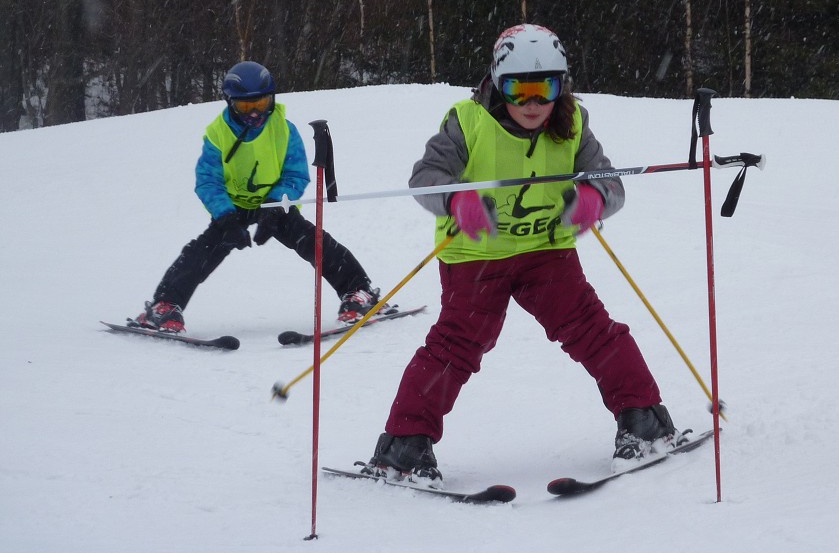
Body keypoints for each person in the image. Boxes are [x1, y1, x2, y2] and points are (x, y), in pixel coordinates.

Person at [361, 24, 682, 487]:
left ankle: (644, 420)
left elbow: (612, 183)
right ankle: (405, 447)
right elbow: (426, 176)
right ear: (497, 81)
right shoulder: (466, 121)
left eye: (545, 89)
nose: (532, 103)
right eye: (519, 89)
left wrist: (593, 199)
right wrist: (457, 201)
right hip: (476, 256)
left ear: (562, 85)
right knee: (456, 346)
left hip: (545, 252)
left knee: (592, 330)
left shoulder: (573, 124)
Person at [130, 60, 382, 333]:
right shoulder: (217, 135)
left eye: (260, 104)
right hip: (233, 207)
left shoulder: (285, 131)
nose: (254, 114)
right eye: (245, 107)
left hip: (274, 204)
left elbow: (295, 176)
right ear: (230, 103)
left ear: (271, 100)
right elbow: (208, 180)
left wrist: (274, 209)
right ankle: (164, 306)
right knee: (203, 250)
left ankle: (360, 292)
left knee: (312, 240)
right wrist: (225, 217)